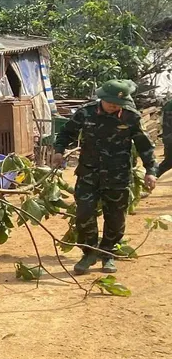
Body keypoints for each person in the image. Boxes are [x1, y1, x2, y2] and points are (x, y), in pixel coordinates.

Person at [54, 80, 157, 275]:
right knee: (84, 214)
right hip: (88, 175)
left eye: (117, 103)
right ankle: (89, 253)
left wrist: (151, 171)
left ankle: (107, 253)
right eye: (110, 101)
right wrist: (59, 151)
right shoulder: (86, 112)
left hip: (117, 177)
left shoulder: (131, 117)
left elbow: (145, 146)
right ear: (102, 98)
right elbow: (66, 133)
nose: (113, 105)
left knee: (116, 219)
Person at [159, 96, 172, 177]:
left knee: (168, 161)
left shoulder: (169, 104)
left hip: (168, 138)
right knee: (168, 162)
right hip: (170, 138)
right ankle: (152, 175)